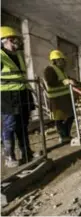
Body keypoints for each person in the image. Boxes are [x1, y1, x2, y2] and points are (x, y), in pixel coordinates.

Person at [1, 26, 35, 167]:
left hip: (22, 93)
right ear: (5, 41)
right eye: (13, 39)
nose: (16, 42)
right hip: (8, 96)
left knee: (23, 124)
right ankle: (9, 156)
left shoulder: (18, 55)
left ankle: (27, 152)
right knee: (10, 125)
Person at [43, 50, 75, 144]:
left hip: (65, 97)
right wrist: (65, 82)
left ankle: (67, 134)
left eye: (63, 60)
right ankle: (63, 136)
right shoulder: (49, 69)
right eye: (61, 60)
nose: (63, 62)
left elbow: (67, 79)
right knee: (59, 119)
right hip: (56, 99)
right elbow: (51, 83)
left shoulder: (61, 70)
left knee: (71, 116)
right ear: (55, 60)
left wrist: (77, 82)